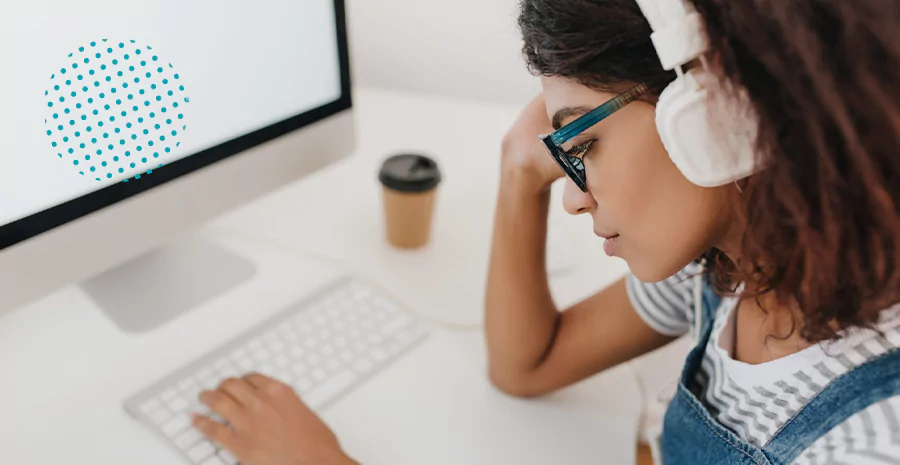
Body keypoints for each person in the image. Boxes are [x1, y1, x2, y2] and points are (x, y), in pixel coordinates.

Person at [190, 0, 900, 464]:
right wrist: (515, 172)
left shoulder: (866, 441)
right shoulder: (733, 265)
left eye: (582, 146)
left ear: (715, 114)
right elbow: (528, 362)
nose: (573, 199)